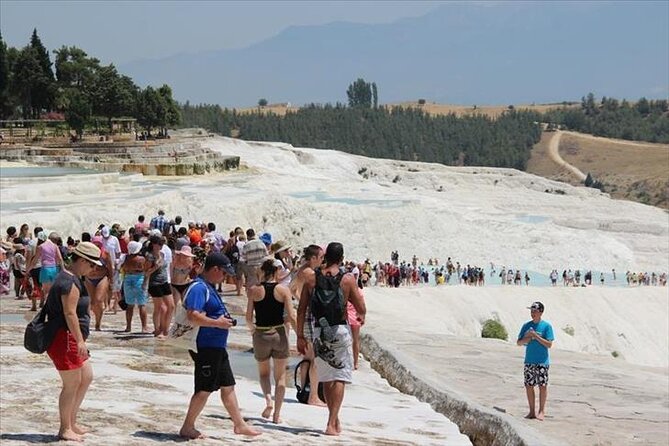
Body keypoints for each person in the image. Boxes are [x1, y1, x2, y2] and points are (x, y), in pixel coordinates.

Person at [179, 253, 261, 439]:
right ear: (215, 269)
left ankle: (239, 425)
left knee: (228, 386)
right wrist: (218, 323)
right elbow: (193, 315)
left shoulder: (208, 287)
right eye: (224, 273)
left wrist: (222, 321)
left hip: (216, 347)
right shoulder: (199, 288)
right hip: (205, 347)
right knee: (204, 389)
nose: (225, 277)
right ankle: (187, 427)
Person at [297, 242, 366, 436]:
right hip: (339, 330)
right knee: (340, 377)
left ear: (326, 256)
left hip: (320, 331)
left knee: (327, 377)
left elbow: (302, 309)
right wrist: (361, 317)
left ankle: (332, 419)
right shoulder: (348, 279)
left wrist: (301, 336)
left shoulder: (312, 278)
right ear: (342, 257)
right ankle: (332, 421)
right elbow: (360, 307)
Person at [44, 242, 102, 441]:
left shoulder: (73, 278)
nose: (94, 269)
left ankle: (72, 421)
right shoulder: (69, 282)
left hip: (71, 337)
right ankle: (64, 428)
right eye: (92, 264)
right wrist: (79, 341)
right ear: (83, 261)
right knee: (72, 383)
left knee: (86, 376)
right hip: (65, 337)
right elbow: (69, 313)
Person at [246, 258, 297, 423]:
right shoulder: (283, 290)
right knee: (280, 376)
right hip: (279, 334)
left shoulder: (254, 290)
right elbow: (291, 315)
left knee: (264, 373)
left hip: (260, 334)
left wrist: (254, 331)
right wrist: (301, 335)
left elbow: (248, 318)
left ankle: (268, 401)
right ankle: (277, 414)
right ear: (276, 271)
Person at [289, 245, 327, 406]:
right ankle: (313, 396)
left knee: (307, 356)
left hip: (304, 315)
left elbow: (291, 288)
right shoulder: (310, 274)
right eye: (320, 258)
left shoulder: (301, 270)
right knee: (315, 359)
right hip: (310, 318)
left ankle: (304, 391)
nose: (322, 260)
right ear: (313, 258)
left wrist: (300, 301)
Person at [517, 301, 554, 421]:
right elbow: (519, 342)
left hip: (542, 361)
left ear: (541, 312)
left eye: (535, 311)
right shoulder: (526, 325)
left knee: (542, 386)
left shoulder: (546, 326)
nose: (532, 313)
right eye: (531, 311)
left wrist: (536, 336)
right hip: (529, 360)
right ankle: (532, 411)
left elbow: (549, 344)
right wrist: (529, 337)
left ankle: (541, 411)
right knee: (529, 385)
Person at [121, 241, 148, 333]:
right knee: (142, 304)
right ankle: (144, 327)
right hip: (139, 279)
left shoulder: (125, 258)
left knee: (130, 305)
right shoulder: (142, 259)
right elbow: (146, 269)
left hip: (128, 278)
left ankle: (128, 327)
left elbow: (120, 267)